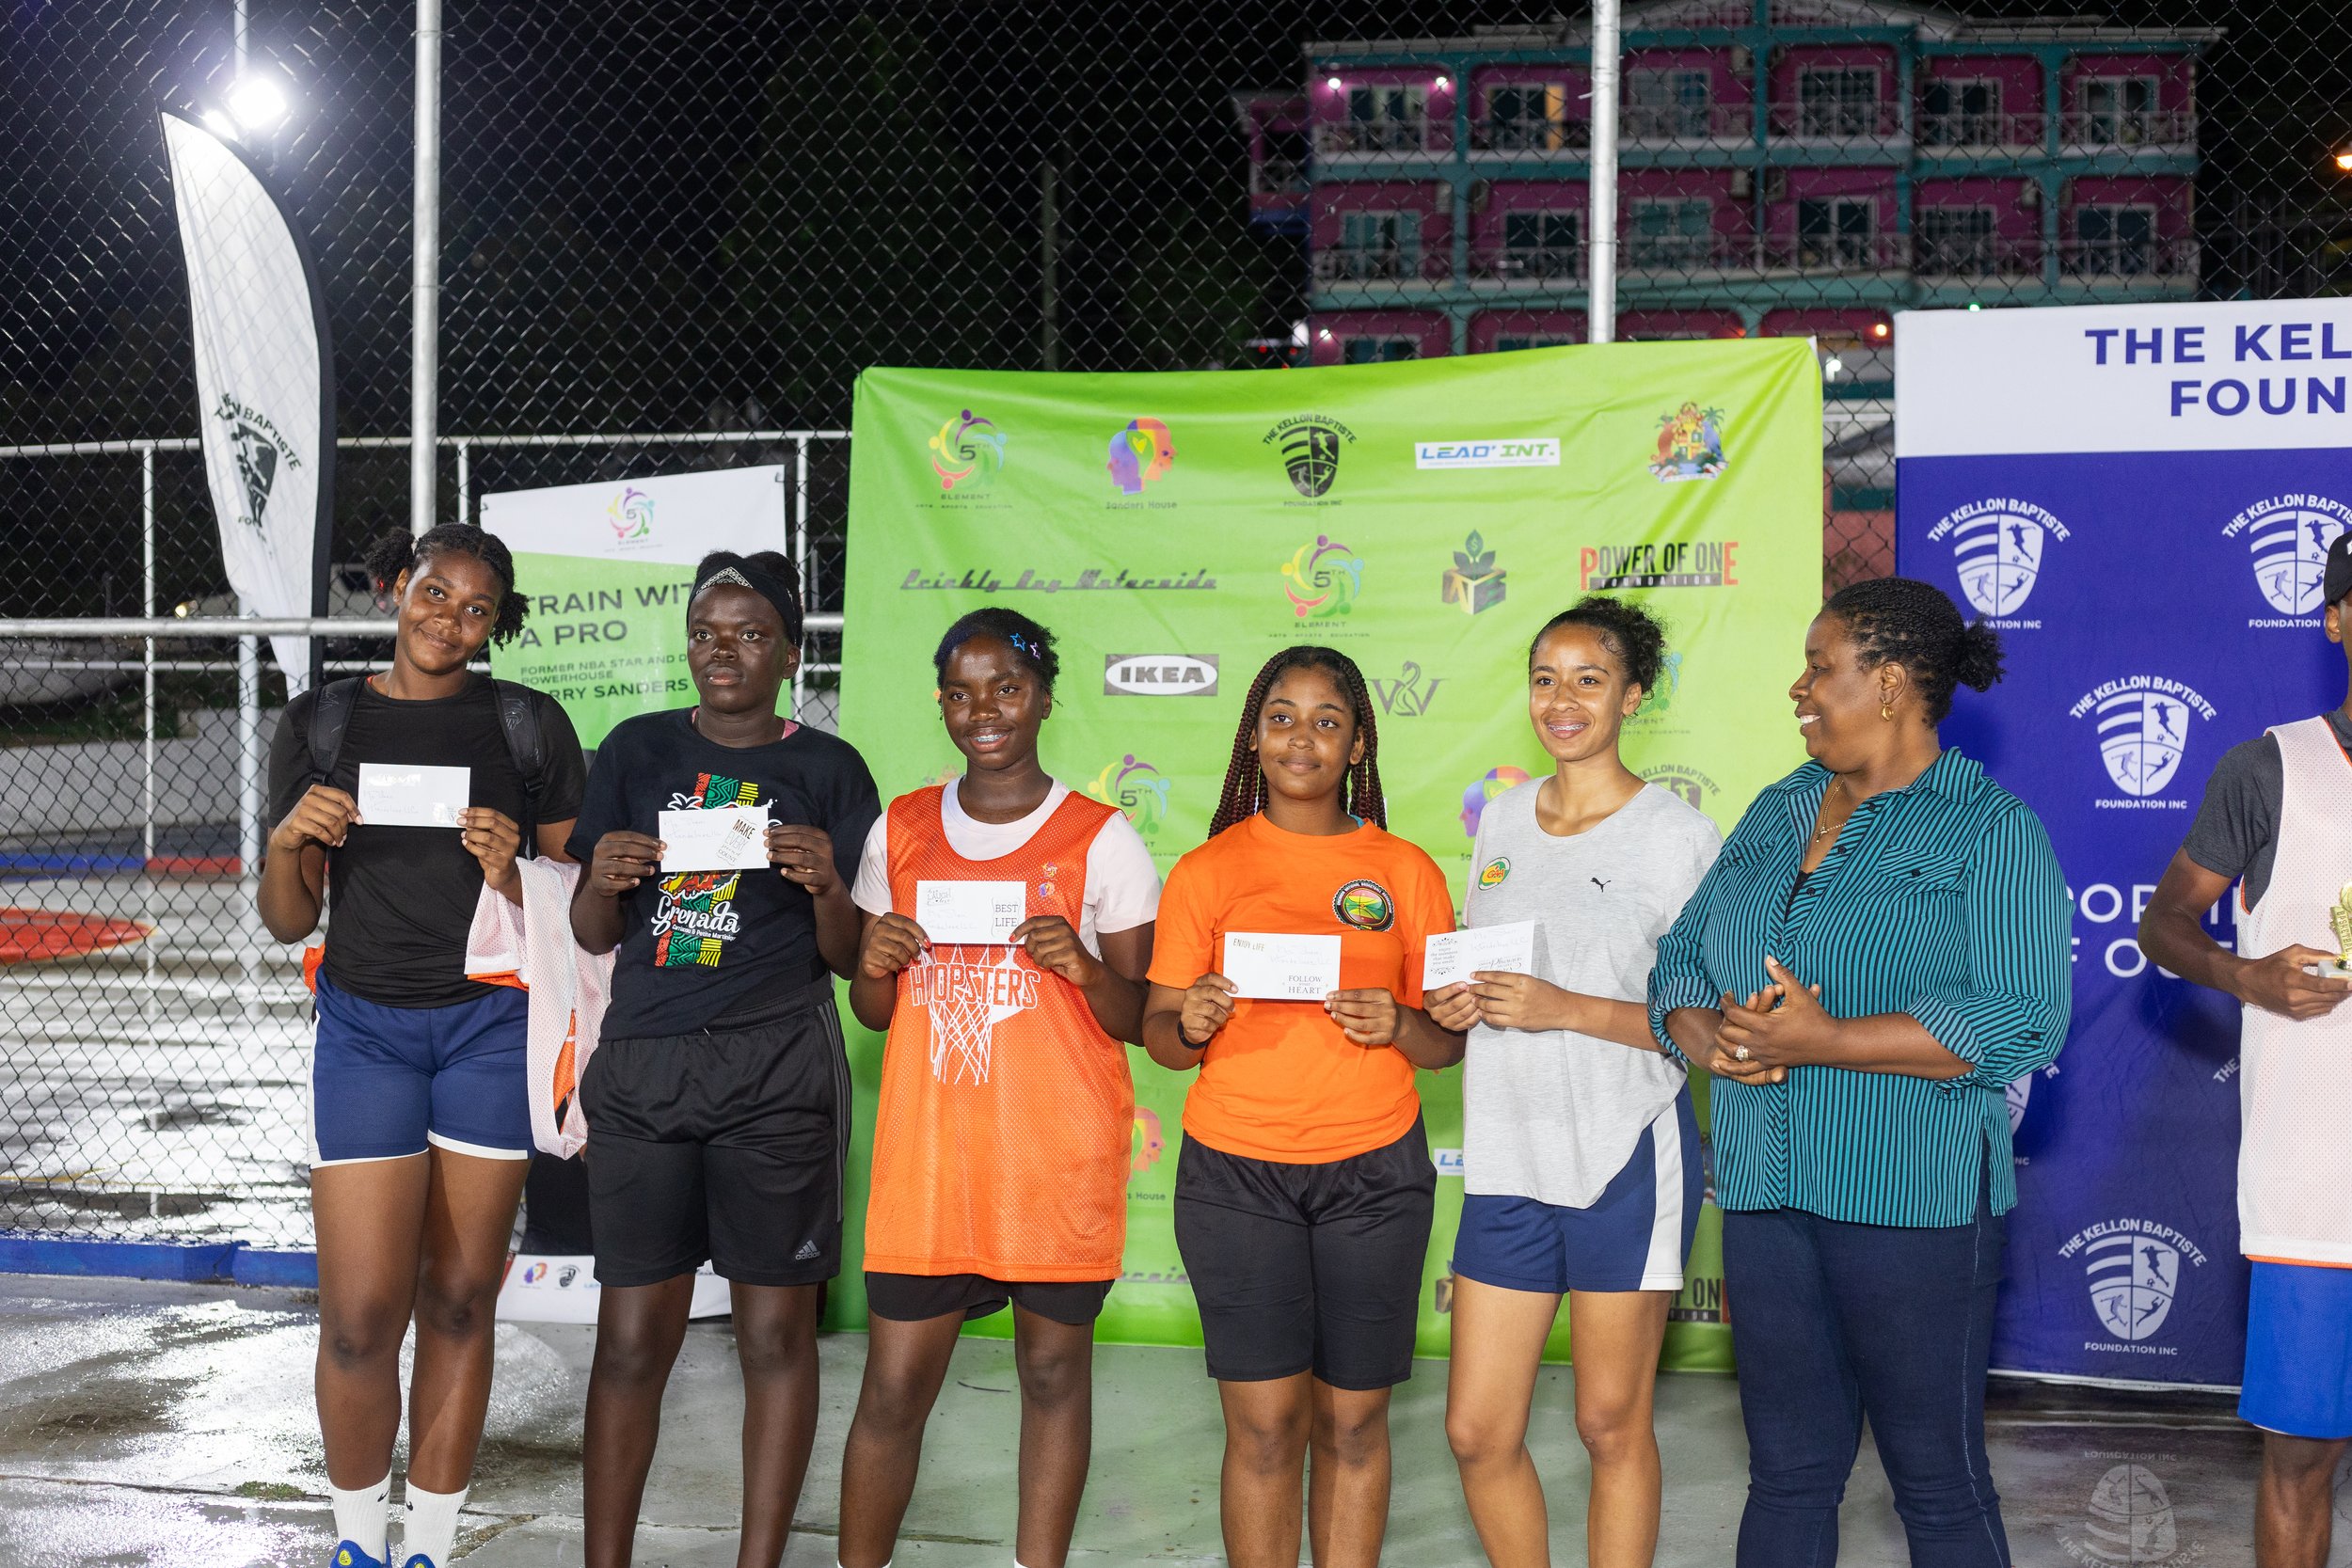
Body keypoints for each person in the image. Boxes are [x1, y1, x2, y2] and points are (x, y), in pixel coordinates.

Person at [1648, 577, 2070, 1567]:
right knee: (1789, 1472)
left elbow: (2023, 1018)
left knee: (1935, 1479)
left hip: (1912, 1200)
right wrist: (1702, 1032)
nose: (1797, 685)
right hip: (1763, 1190)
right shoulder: (1776, 805)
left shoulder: (1989, 828)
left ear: (1887, 683)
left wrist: (1827, 1039)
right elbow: (1681, 954)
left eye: (1819, 665)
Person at [260, 524, 586, 1568]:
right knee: (360, 1314)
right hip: (365, 1030)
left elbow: (581, 915)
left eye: (475, 606)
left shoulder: (528, 726)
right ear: (397, 588)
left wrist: (511, 873)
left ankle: (428, 1549)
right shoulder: (321, 720)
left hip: (490, 1027)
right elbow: (283, 920)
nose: (448, 618)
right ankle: (357, 1545)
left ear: (498, 622)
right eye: (433, 592)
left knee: (458, 1295)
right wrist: (286, 839)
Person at [566, 550, 879, 1568]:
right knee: (628, 1341)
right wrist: (603, 880)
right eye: (707, 632)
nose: (724, 652)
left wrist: (831, 883)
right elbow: (594, 932)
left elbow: (848, 954)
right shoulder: (635, 748)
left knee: (774, 1340)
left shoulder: (830, 771)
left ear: (789, 649)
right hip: (649, 1065)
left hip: (777, 1068)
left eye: (749, 634)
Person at [836, 608, 1161, 1568]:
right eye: (961, 691)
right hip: (929, 1164)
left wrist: (1086, 966)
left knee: (1053, 1372)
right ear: (939, 701)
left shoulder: (1100, 839)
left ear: (1044, 697)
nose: (984, 710)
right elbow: (871, 1008)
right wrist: (873, 961)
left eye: (1006, 688)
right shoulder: (898, 827)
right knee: (893, 1386)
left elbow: (1139, 1013)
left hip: (1051, 1156)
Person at [1138, 644, 1464, 1568]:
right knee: (1267, 1425)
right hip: (1235, 1173)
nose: (1302, 737)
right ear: (1253, 733)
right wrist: (1190, 1017)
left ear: (1357, 743)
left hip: (1375, 1172)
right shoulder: (1205, 870)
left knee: (1353, 1422)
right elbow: (1160, 1031)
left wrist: (1399, 1020)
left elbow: (1445, 1041)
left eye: (1328, 720)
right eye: (1282, 716)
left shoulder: (1403, 871)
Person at [1430, 599, 1721, 1568]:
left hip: (1623, 1151)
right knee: (1476, 1428)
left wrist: (1566, 1007)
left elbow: (1704, 1024)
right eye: (1546, 677)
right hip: (1509, 1156)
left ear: (1633, 695)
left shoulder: (1677, 834)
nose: (1562, 699)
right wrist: (1459, 1000)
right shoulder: (1503, 817)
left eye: (1589, 679)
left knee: (1608, 1423)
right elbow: (1488, 964)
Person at [2138, 532, 2352, 1568]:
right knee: (2304, 1456)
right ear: (2336, 619)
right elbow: (2164, 922)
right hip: (2317, 1181)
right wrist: (2250, 975)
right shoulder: (2271, 766)